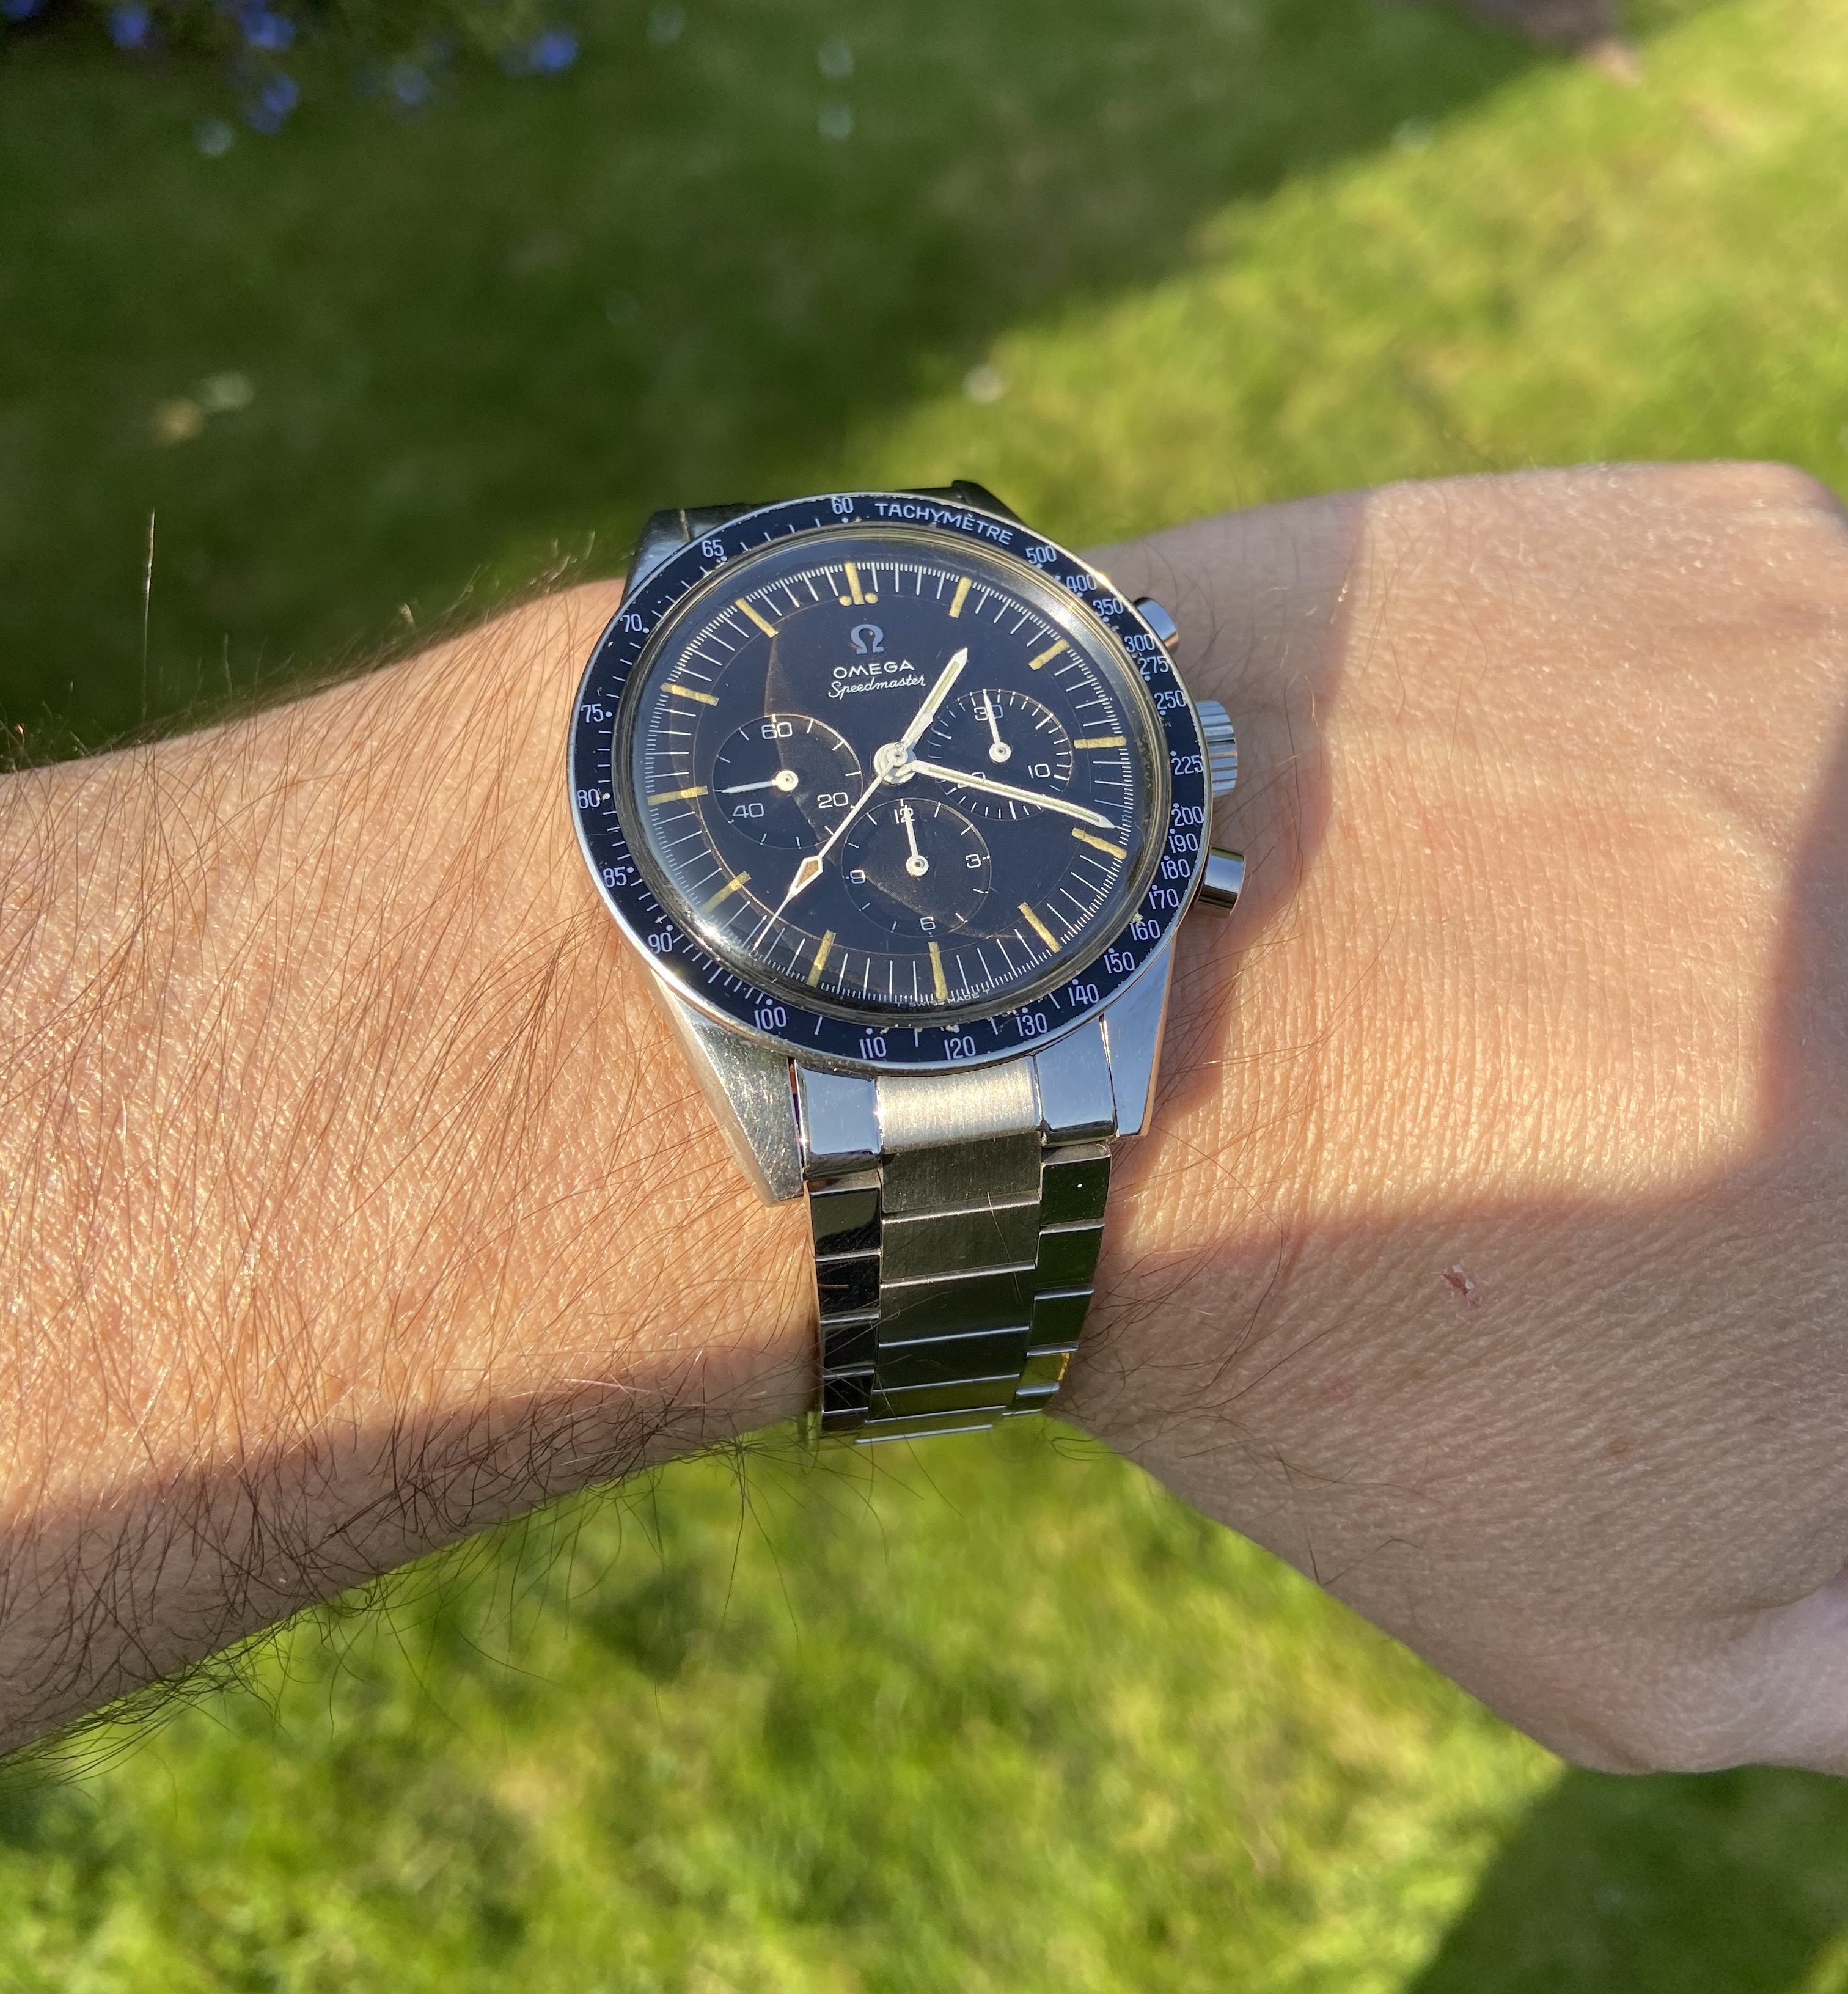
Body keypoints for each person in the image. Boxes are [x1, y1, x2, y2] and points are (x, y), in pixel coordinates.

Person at [4, 458, 1847, 1774]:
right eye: (865, 751)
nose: (889, 759)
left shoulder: (1120, 784)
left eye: (926, 741)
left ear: (1190, 765)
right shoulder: (697, 802)